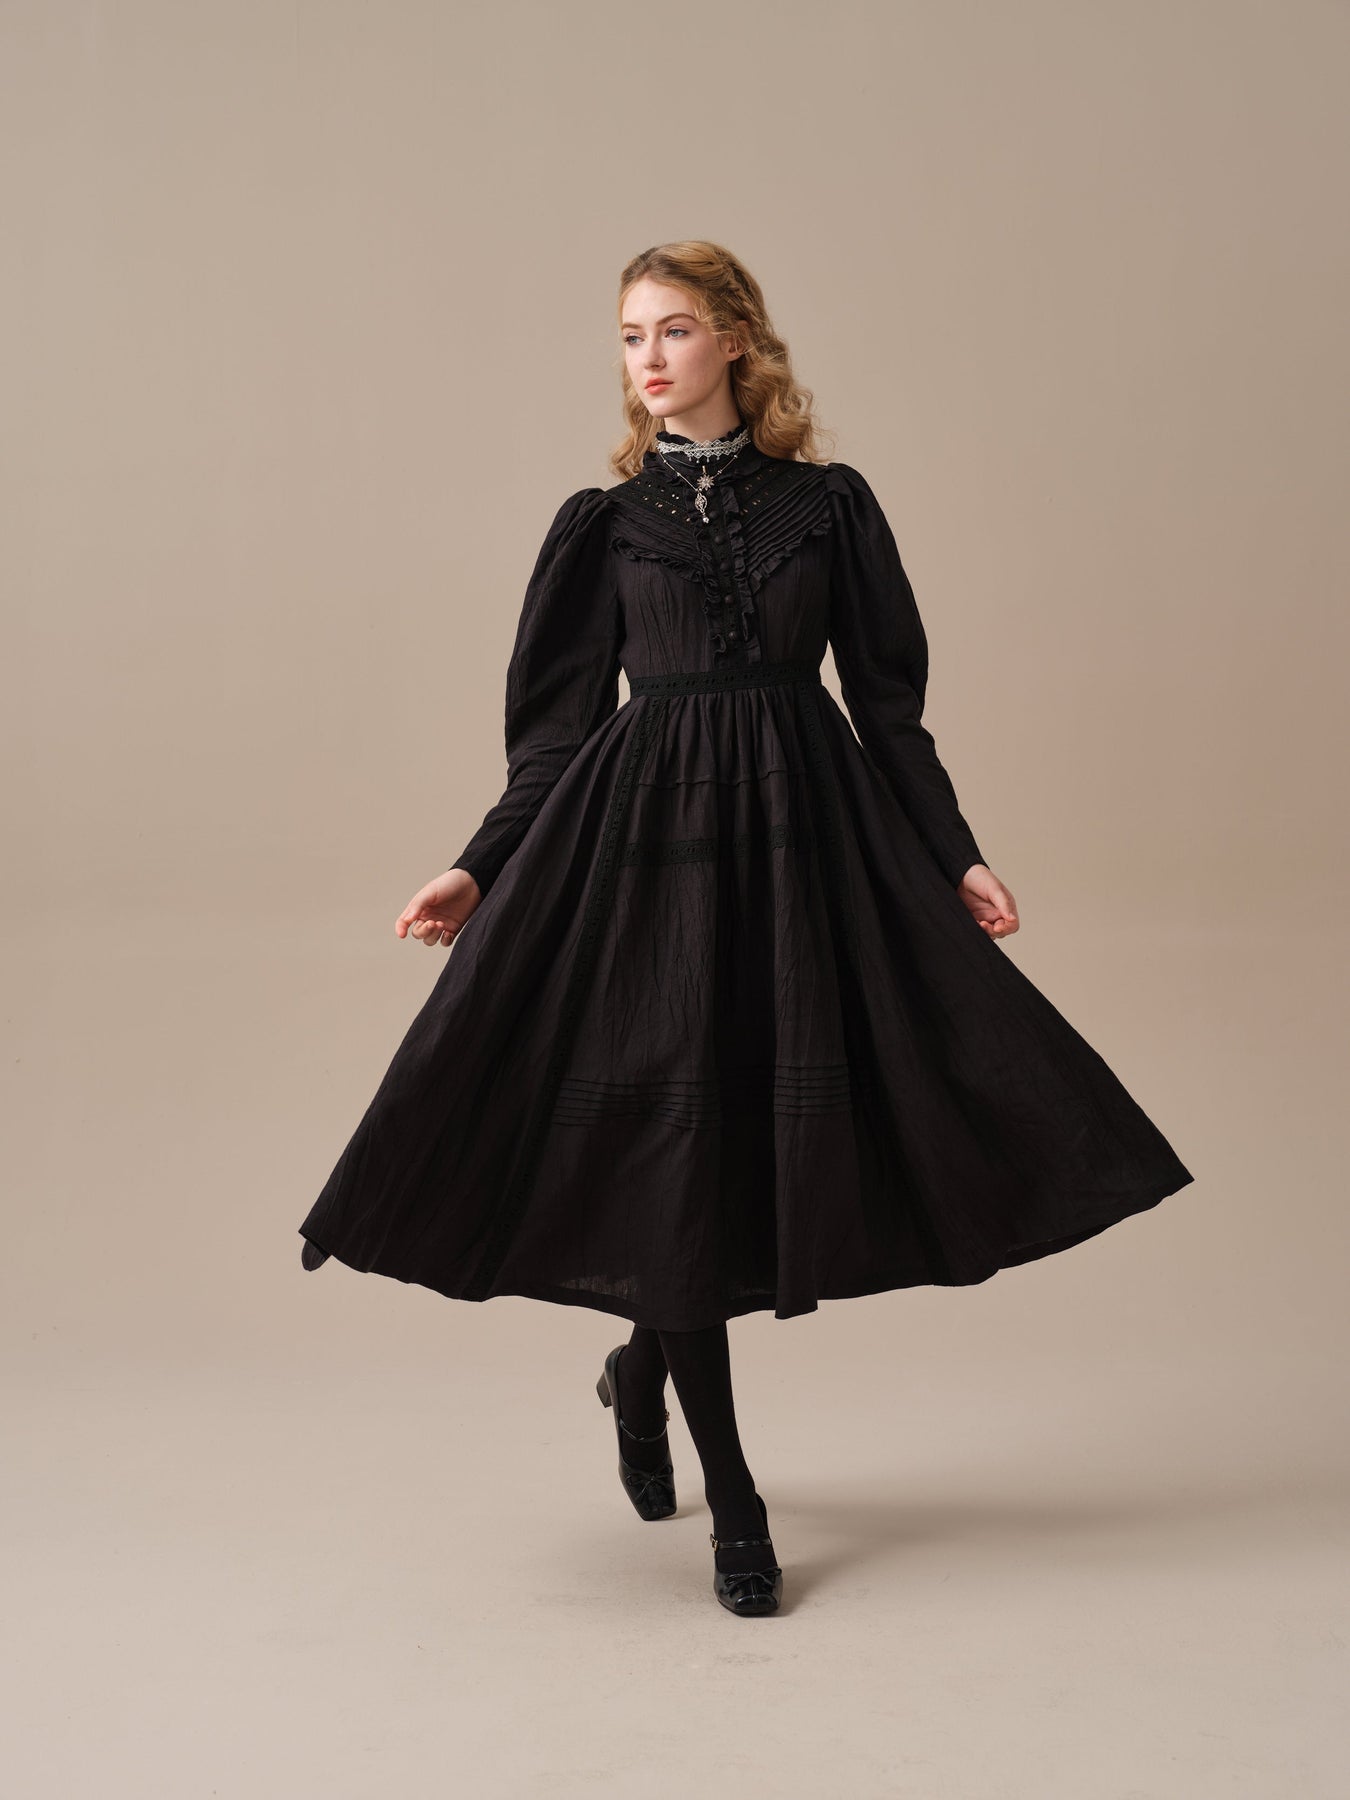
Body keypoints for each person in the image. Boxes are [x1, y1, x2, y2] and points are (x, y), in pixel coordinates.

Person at [297, 240, 1194, 1618]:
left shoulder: (829, 508)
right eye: (628, 337)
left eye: (671, 330)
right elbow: (552, 737)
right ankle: (739, 1500)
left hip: (801, 847)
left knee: (749, 1144)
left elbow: (888, 709)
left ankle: (637, 1366)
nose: (646, 358)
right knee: (671, 1152)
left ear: (733, 340)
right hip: (642, 862)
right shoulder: (600, 527)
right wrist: (479, 869)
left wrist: (954, 855)